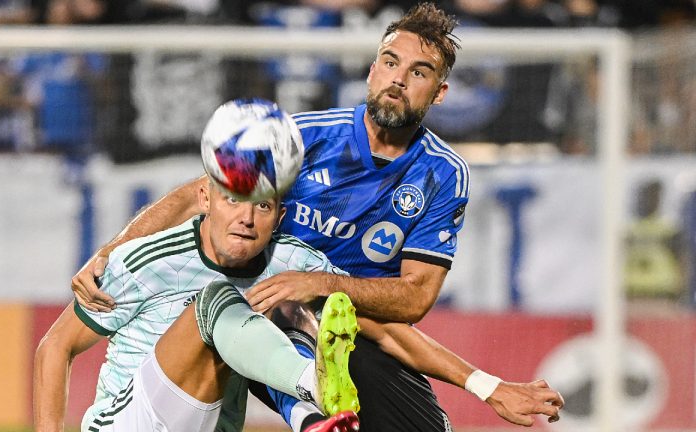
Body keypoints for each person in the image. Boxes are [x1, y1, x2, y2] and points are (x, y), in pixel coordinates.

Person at [72, 3, 564, 431]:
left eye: (419, 72)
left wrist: (315, 284)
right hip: (256, 313)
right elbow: (195, 195)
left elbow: (414, 299)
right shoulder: (304, 138)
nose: (399, 78)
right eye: (391, 63)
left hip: (360, 332)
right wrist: (110, 254)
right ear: (371, 71)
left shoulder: (441, 174)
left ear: (439, 93)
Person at [34, 181, 361, 432]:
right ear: (206, 199)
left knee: (297, 308)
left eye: (262, 205)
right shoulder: (146, 259)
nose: (245, 218)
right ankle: (311, 383)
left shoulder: (296, 262)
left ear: (280, 216)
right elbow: (56, 345)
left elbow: (360, 318)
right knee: (214, 300)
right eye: (233, 200)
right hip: (132, 421)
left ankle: (309, 420)